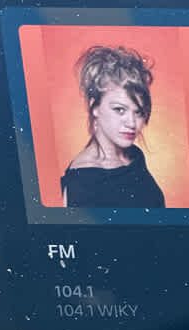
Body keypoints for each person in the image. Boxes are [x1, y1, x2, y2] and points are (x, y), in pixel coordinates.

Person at [59, 45, 165, 208]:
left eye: (138, 112)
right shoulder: (82, 181)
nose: (132, 123)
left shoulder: (134, 155)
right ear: (94, 107)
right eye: (119, 110)